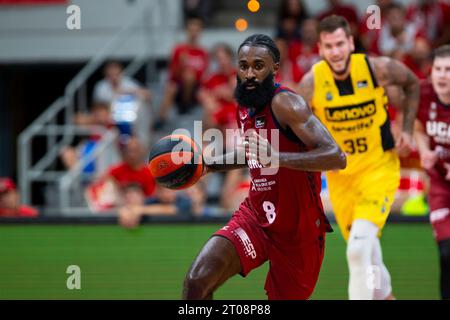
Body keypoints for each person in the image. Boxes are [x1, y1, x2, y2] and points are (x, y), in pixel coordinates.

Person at [182, 34, 347, 300]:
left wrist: (278, 157)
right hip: (255, 218)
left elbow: (336, 156)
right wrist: (208, 165)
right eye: (243, 65)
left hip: (298, 231)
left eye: (258, 66)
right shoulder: (245, 106)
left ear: (274, 69)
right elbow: (255, 155)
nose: (249, 73)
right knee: (196, 282)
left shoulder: (287, 104)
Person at [297, 15, 420, 300]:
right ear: (320, 49)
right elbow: (292, 123)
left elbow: (412, 83)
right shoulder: (311, 83)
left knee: (358, 249)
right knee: (370, 260)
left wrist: (409, 129)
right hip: (341, 179)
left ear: (351, 43)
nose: (336, 51)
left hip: (379, 169)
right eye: (329, 46)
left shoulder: (376, 67)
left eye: (340, 43)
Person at [414, 45, 450, 300]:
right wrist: (424, 148)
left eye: (448, 70)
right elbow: (417, 126)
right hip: (440, 183)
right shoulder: (424, 92)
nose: (442, 75)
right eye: (438, 69)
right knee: (446, 252)